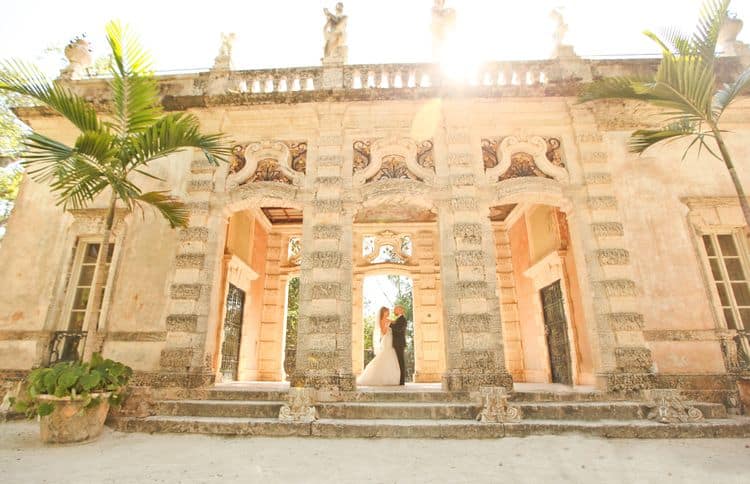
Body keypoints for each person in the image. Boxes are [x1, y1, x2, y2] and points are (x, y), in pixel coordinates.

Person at [356, 306, 400, 386]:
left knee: (390, 358)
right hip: (386, 340)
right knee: (384, 357)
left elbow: (396, 322)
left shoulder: (387, 320)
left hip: (390, 341)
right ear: (383, 312)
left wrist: (395, 320)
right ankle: (375, 377)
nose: (389, 313)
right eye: (387, 312)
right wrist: (388, 324)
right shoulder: (382, 321)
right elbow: (383, 332)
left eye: (389, 312)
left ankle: (389, 377)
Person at [390, 305, 408, 385]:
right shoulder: (398, 319)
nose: (394, 311)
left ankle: (402, 381)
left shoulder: (403, 319)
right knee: (398, 362)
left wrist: (391, 324)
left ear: (401, 310)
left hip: (399, 343)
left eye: (395, 310)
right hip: (397, 343)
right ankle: (399, 379)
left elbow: (398, 330)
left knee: (401, 362)